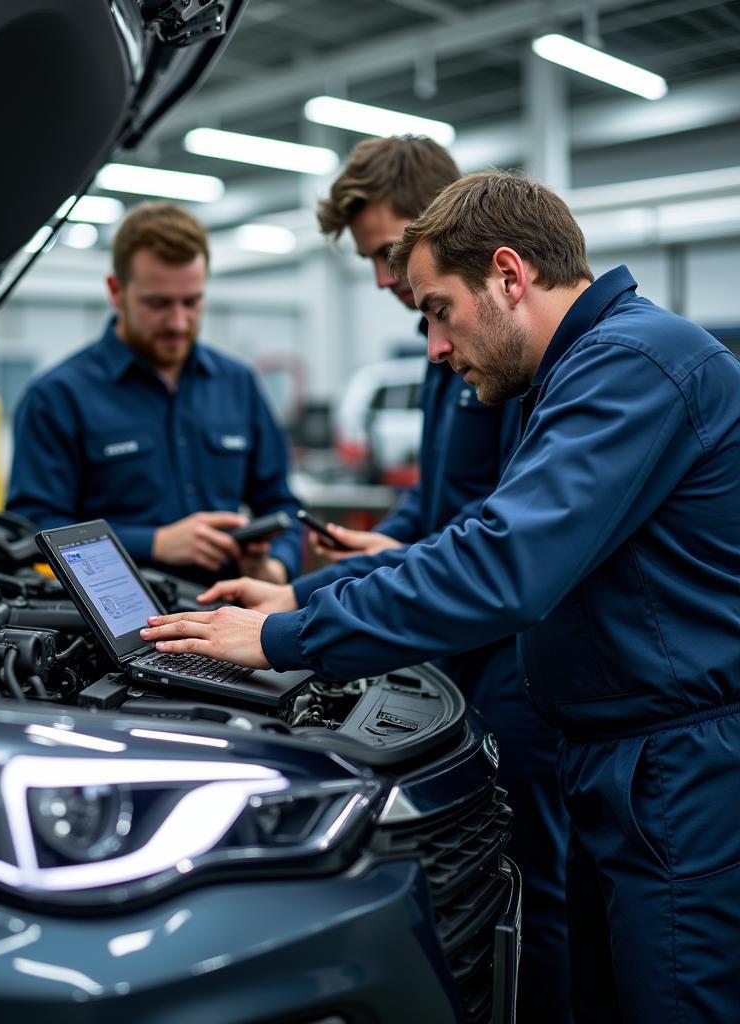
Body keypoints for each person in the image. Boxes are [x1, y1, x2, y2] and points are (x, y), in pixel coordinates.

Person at [142, 171, 740, 1022]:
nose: (432, 345)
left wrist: (289, 637)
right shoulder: (582, 371)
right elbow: (472, 537)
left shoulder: (631, 366)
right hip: (621, 764)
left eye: (437, 309)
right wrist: (298, 601)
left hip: (679, 775)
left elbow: (503, 565)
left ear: (508, 275)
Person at [310, 136, 569, 1021]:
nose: (385, 282)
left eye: (391, 255)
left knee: (538, 894)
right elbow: (438, 505)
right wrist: (370, 550)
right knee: (477, 883)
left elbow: (505, 542)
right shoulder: (444, 351)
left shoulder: (511, 357)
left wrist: (308, 618)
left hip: (518, 668)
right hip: (457, 651)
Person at [6, 201, 301, 584]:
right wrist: (155, 543)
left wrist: (274, 567)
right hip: (114, 629)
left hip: (229, 616)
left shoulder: (238, 383)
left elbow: (282, 505)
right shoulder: (57, 397)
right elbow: (34, 531)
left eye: (191, 302)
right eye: (158, 304)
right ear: (116, 291)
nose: (178, 322)